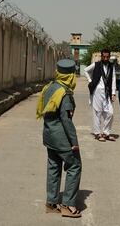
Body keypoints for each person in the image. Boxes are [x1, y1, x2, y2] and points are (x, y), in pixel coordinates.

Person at [36, 59, 82, 218]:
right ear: (70, 75)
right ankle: (68, 205)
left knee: (53, 167)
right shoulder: (65, 93)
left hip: (49, 135)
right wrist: (74, 143)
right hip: (62, 137)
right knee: (74, 165)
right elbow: (66, 120)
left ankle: (51, 203)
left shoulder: (49, 87)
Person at [84, 49, 117, 142]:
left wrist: (113, 93)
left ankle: (106, 133)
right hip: (97, 92)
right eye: (104, 57)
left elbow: (113, 79)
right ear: (101, 56)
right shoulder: (96, 64)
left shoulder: (111, 66)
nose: (106, 58)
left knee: (110, 113)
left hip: (107, 93)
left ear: (109, 57)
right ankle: (98, 133)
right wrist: (90, 81)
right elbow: (85, 70)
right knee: (97, 112)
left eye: (107, 57)